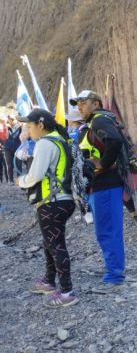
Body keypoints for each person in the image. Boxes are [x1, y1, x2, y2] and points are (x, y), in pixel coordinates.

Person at [15, 109, 78, 307]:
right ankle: (49, 281)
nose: (27, 129)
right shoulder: (60, 139)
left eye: (29, 125)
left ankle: (67, 292)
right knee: (49, 242)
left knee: (56, 245)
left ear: (40, 125)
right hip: (65, 200)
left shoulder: (44, 143)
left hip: (52, 202)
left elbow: (36, 175)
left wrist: (21, 181)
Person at [71, 90, 127, 293]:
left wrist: (102, 164)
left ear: (96, 103)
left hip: (106, 184)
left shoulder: (99, 120)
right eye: (77, 104)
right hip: (102, 185)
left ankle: (114, 274)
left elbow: (114, 140)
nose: (79, 107)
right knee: (105, 230)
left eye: (83, 103)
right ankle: (113, 269)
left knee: (107, 230)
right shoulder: (98, 120)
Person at [4, 116, 22, 182]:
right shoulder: (5, 128)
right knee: (9, 164)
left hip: (18, 148)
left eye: (12, 119)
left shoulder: (20, 128)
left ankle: (19, 180)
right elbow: (4, 137)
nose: (11, 121)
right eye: (9, 119)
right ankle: (11, 180)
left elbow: (22, 137)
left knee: (19, 164)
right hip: (7, 148)